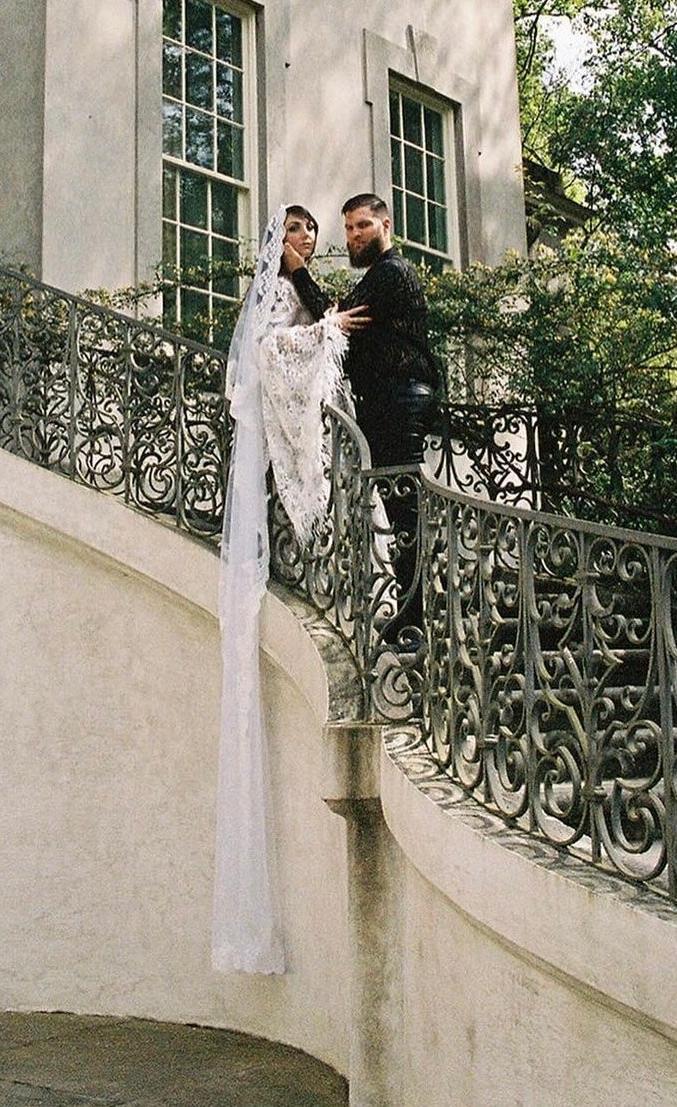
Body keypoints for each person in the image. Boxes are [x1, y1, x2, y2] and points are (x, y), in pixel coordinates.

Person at [211, 205, 363, 976]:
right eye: (299, 232)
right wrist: (323, 331)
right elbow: (268, 355)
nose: (307, 241)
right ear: (283, 238)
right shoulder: (278, 291)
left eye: (311, 233)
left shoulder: (304, 284)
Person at [337, 193, 440, 647]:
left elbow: (340, 319)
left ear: (385, 225)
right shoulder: (380, 276)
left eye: (362, 226)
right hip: (387, 401)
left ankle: (416, 620)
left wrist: (298, 273)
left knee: (403, 508)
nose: (354, 236)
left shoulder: (392, 273)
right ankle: (411, 611)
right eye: (349, 229)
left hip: (400, 400)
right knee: (400, 507)